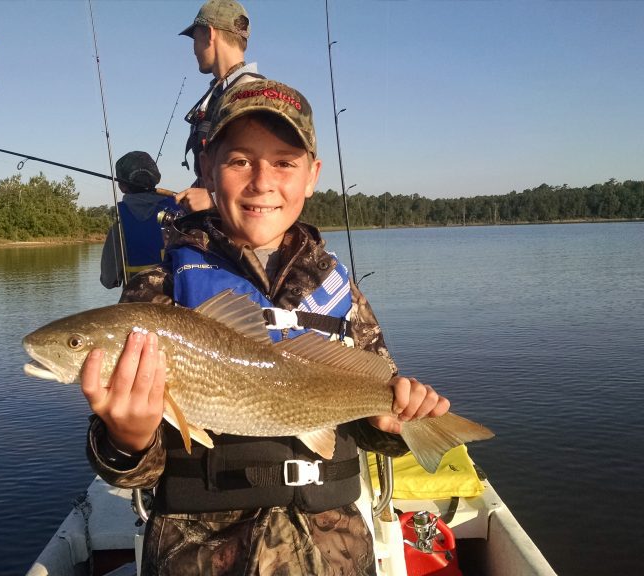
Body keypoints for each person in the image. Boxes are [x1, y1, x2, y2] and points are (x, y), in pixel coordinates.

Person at [81, 79, 451, 575]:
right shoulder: (160, 287)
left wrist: (391, 423)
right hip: (200, 552)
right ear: (208, 167)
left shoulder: (338, 286)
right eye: (240, 161)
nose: (262, 181)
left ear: (312, 175)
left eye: (284, 162)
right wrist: (127, 438)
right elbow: (128, 469)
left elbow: (372, 416)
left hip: (334, 550)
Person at [175, 0, 264, 214]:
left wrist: (212, 199)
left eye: (195, 38)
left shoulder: (250, 93)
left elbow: (263, 174)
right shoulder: (220, 91)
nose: (193, 49)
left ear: (210, 34)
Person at [99, 151, 179, 289]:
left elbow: (109, 280)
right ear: (156, 179)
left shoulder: (119, 227)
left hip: (139, 306)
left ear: (122, 186)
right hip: (179, 305)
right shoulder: (181, 213)